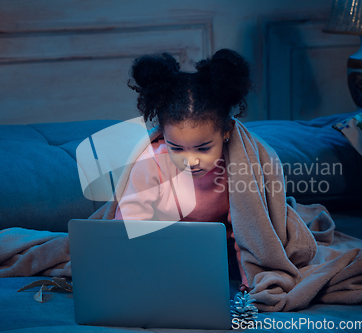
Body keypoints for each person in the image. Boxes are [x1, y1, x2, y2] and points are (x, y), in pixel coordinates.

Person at [103, 49, 253, 291]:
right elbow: (131, 223)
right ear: (163, 134)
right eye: (177, 148)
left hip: (223, 250)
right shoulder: (152, 162)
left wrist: (250, 282)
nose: (190, 161)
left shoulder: (238, 166)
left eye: (203, 149)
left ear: (226, 132)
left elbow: (248, 229)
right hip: (165, 247)